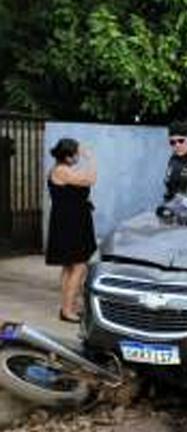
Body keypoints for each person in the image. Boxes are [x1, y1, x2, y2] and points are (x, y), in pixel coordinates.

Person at [46, 138, 97, 323]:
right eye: (75, 153)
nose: (78, 155)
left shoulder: (64, 169)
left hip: (72, 221)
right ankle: (67, 310)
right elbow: (91, 179)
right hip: (69, 223)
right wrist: (90, 158)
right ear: (68, 157)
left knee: (70, 267)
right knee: (79, 266)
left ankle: (69, 306)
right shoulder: (61, 171)